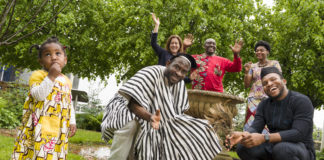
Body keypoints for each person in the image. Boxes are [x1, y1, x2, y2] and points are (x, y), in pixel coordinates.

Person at [102, 54, 222, 160]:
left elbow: (176, 114)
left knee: (171, 133)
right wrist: (151, 117)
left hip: (154, 119)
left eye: (183, 71)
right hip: (125, 107)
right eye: (176, 67)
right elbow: (133, 104)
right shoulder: (150, 72)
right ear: (168, 63)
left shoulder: (180, 85)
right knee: (131, 124)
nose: (179, 73)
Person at [225, 67, 315, 160]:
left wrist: (265, 137)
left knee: (282, 149)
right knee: (243, 148)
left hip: (301, 149)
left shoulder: (301, 101)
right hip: (274, 147)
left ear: (284, 81)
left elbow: (298, 133)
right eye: (265, 83)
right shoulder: (264, 104)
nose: (269, 84)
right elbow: (256, 127)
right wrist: (243, 135)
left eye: (273, 79)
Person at [12, 37, 77, 160]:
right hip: (38, 124)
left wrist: (72, 121)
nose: (53, 57)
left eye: (58, 53)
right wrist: (51, 76)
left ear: (65, 60)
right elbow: (39, 95)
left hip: (59, 126)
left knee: (53, 153)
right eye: (48, 54)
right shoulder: (38, 76)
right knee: (35, 151)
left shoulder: (66, 81)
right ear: (41, 62)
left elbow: (69, 102)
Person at [243, 40, 282, 133]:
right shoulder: (252, 66)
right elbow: (246, 85)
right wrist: (246, 72)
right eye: (257, 50)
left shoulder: (274, 64)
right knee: (251, 123)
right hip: (253, 99)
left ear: (267, 52)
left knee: (268, 124)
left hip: (269, 97)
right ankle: (248, 145)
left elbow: (279, 81)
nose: (259, 52)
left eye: (261, 50)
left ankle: (266, 145)